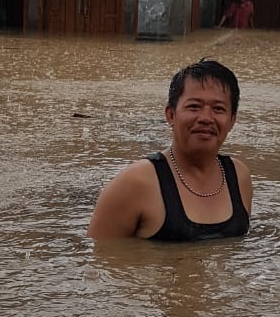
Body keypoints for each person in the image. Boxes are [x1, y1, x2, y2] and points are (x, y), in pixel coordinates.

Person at [86, 59, 252, 242]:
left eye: (218, 109)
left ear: (232, 121)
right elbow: (98, 261)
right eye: (194, 106)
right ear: (170, 115)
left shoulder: (238, 177)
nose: (206, 118)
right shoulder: (135, 183)